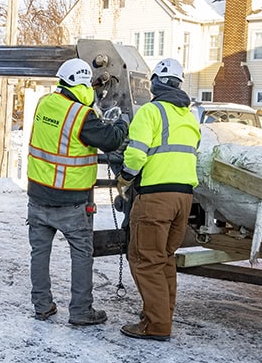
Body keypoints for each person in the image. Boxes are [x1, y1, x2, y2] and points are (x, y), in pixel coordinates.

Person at [27, 58, 128, 324]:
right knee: (82, 255)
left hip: (37, 197)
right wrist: (122, 123)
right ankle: (81, 311)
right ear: (84, 84)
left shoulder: (44, 103)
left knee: (39, 254)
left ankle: (42, 305)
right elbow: (110, 141)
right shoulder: (81, 116)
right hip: (71, 201)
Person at [116, 58, 200, 341]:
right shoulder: (188, 117)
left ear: (156, 82)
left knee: (144, 259)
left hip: (156, 198)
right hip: (183, 198)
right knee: (163, 259)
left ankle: (156, 325)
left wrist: (125, 177)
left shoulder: (151, 112)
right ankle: (161, 316)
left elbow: (137, 153)